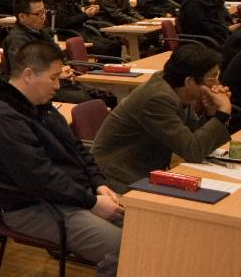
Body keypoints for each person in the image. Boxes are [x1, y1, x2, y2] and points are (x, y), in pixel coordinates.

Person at [0, 40, 124, 277]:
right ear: (29, 74)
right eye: (53, 77)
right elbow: (39, 178)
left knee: (148, 229)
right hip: (33, 207)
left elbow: (77, 149)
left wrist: (99, 185)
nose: (58, 85)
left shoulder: (40, 105)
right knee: (122, 249)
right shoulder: (2, 118)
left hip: (70, 196)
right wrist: (91, 202)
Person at [91, 43, 232, 193]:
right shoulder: (157, 98)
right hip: (118, 176)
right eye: (212, 78)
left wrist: (211, 112)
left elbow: (193, 138)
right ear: (189, 82)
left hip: (146, 169)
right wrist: (223, 113)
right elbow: (192, 151)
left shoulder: (178, 89)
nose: (217, 84)